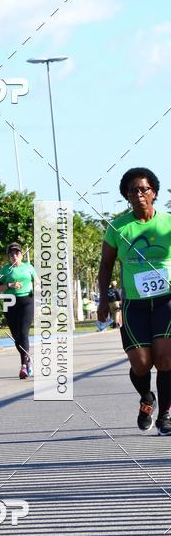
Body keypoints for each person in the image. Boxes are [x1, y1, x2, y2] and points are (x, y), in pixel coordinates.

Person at [97, 167, 171, 436]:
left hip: (166, 301)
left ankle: (164, 415)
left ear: (154, 193)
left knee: (165, 360)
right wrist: (104, 300)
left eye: (144, 189)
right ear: (126, 196)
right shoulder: (118, 226)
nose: (139, 194)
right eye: (132, 191)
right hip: (135, 305)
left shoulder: (168, 223)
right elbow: (105, 266)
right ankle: (147, 399)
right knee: (141, 364)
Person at [0, 242, 36, 379]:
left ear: (21, 255)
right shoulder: (4, 271)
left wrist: (38, 293)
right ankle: (28, 357)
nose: (14, 256)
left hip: (27, 302)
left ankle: (24, 366)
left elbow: (39, 283)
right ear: (8, 257)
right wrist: (10, 285)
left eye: (17, 253)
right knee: (17, 337)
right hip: (10, 304)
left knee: (23, 333)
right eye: (11, 254)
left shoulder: (29, 268)